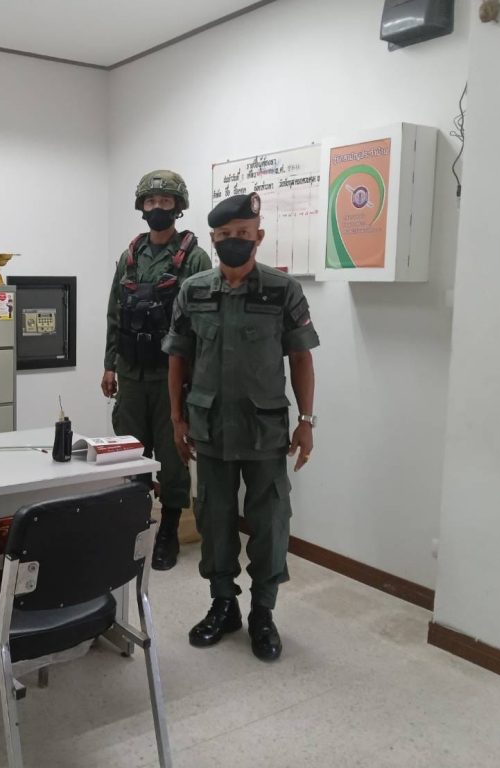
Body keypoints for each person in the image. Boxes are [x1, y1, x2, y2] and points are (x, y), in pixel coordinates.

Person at [162, 192, 319, 661]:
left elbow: (301, 358)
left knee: (270, 523)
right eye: (226, 235)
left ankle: (263, 612)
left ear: (259, 236)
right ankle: (223, 605)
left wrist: (306, 421)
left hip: (263, 430)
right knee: (214, 518)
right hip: (209, 427)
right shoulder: (193, 291)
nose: (235, 241)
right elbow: (178, 358)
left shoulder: (282, 290)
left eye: (244, 234)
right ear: (214, 239)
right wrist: (176, 418)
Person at [103, 170, 212, 570]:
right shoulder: (130, 256)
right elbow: (115, 313)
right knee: (130, 452)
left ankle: (168, 529)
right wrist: (109, 365)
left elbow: (201, 323)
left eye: (165, 202)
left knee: (171, 455)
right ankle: (133, 524)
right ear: (142, 207)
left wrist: (195, 381)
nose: (157, 208)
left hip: (172, 378)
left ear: (177, 207)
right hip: (131, 373)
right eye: (150, 201)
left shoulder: (195, 258)